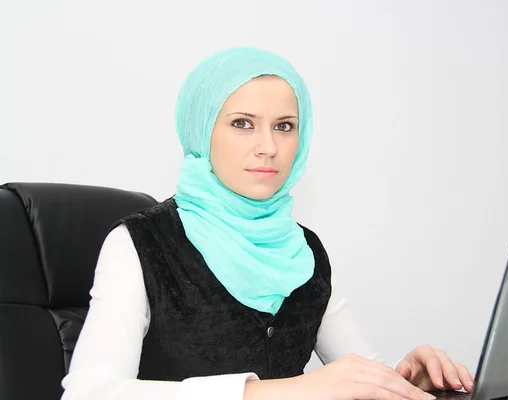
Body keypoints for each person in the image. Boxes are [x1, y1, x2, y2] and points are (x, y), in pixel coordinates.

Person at [61, 46, 474, 400]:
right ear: (202, 131)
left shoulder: (303, 250)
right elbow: (90, 393)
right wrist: (281, 392)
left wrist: (403, 379)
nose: (269, 147)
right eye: (243, 124)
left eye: (285, 127)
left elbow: (354, 375)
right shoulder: (139, 243)